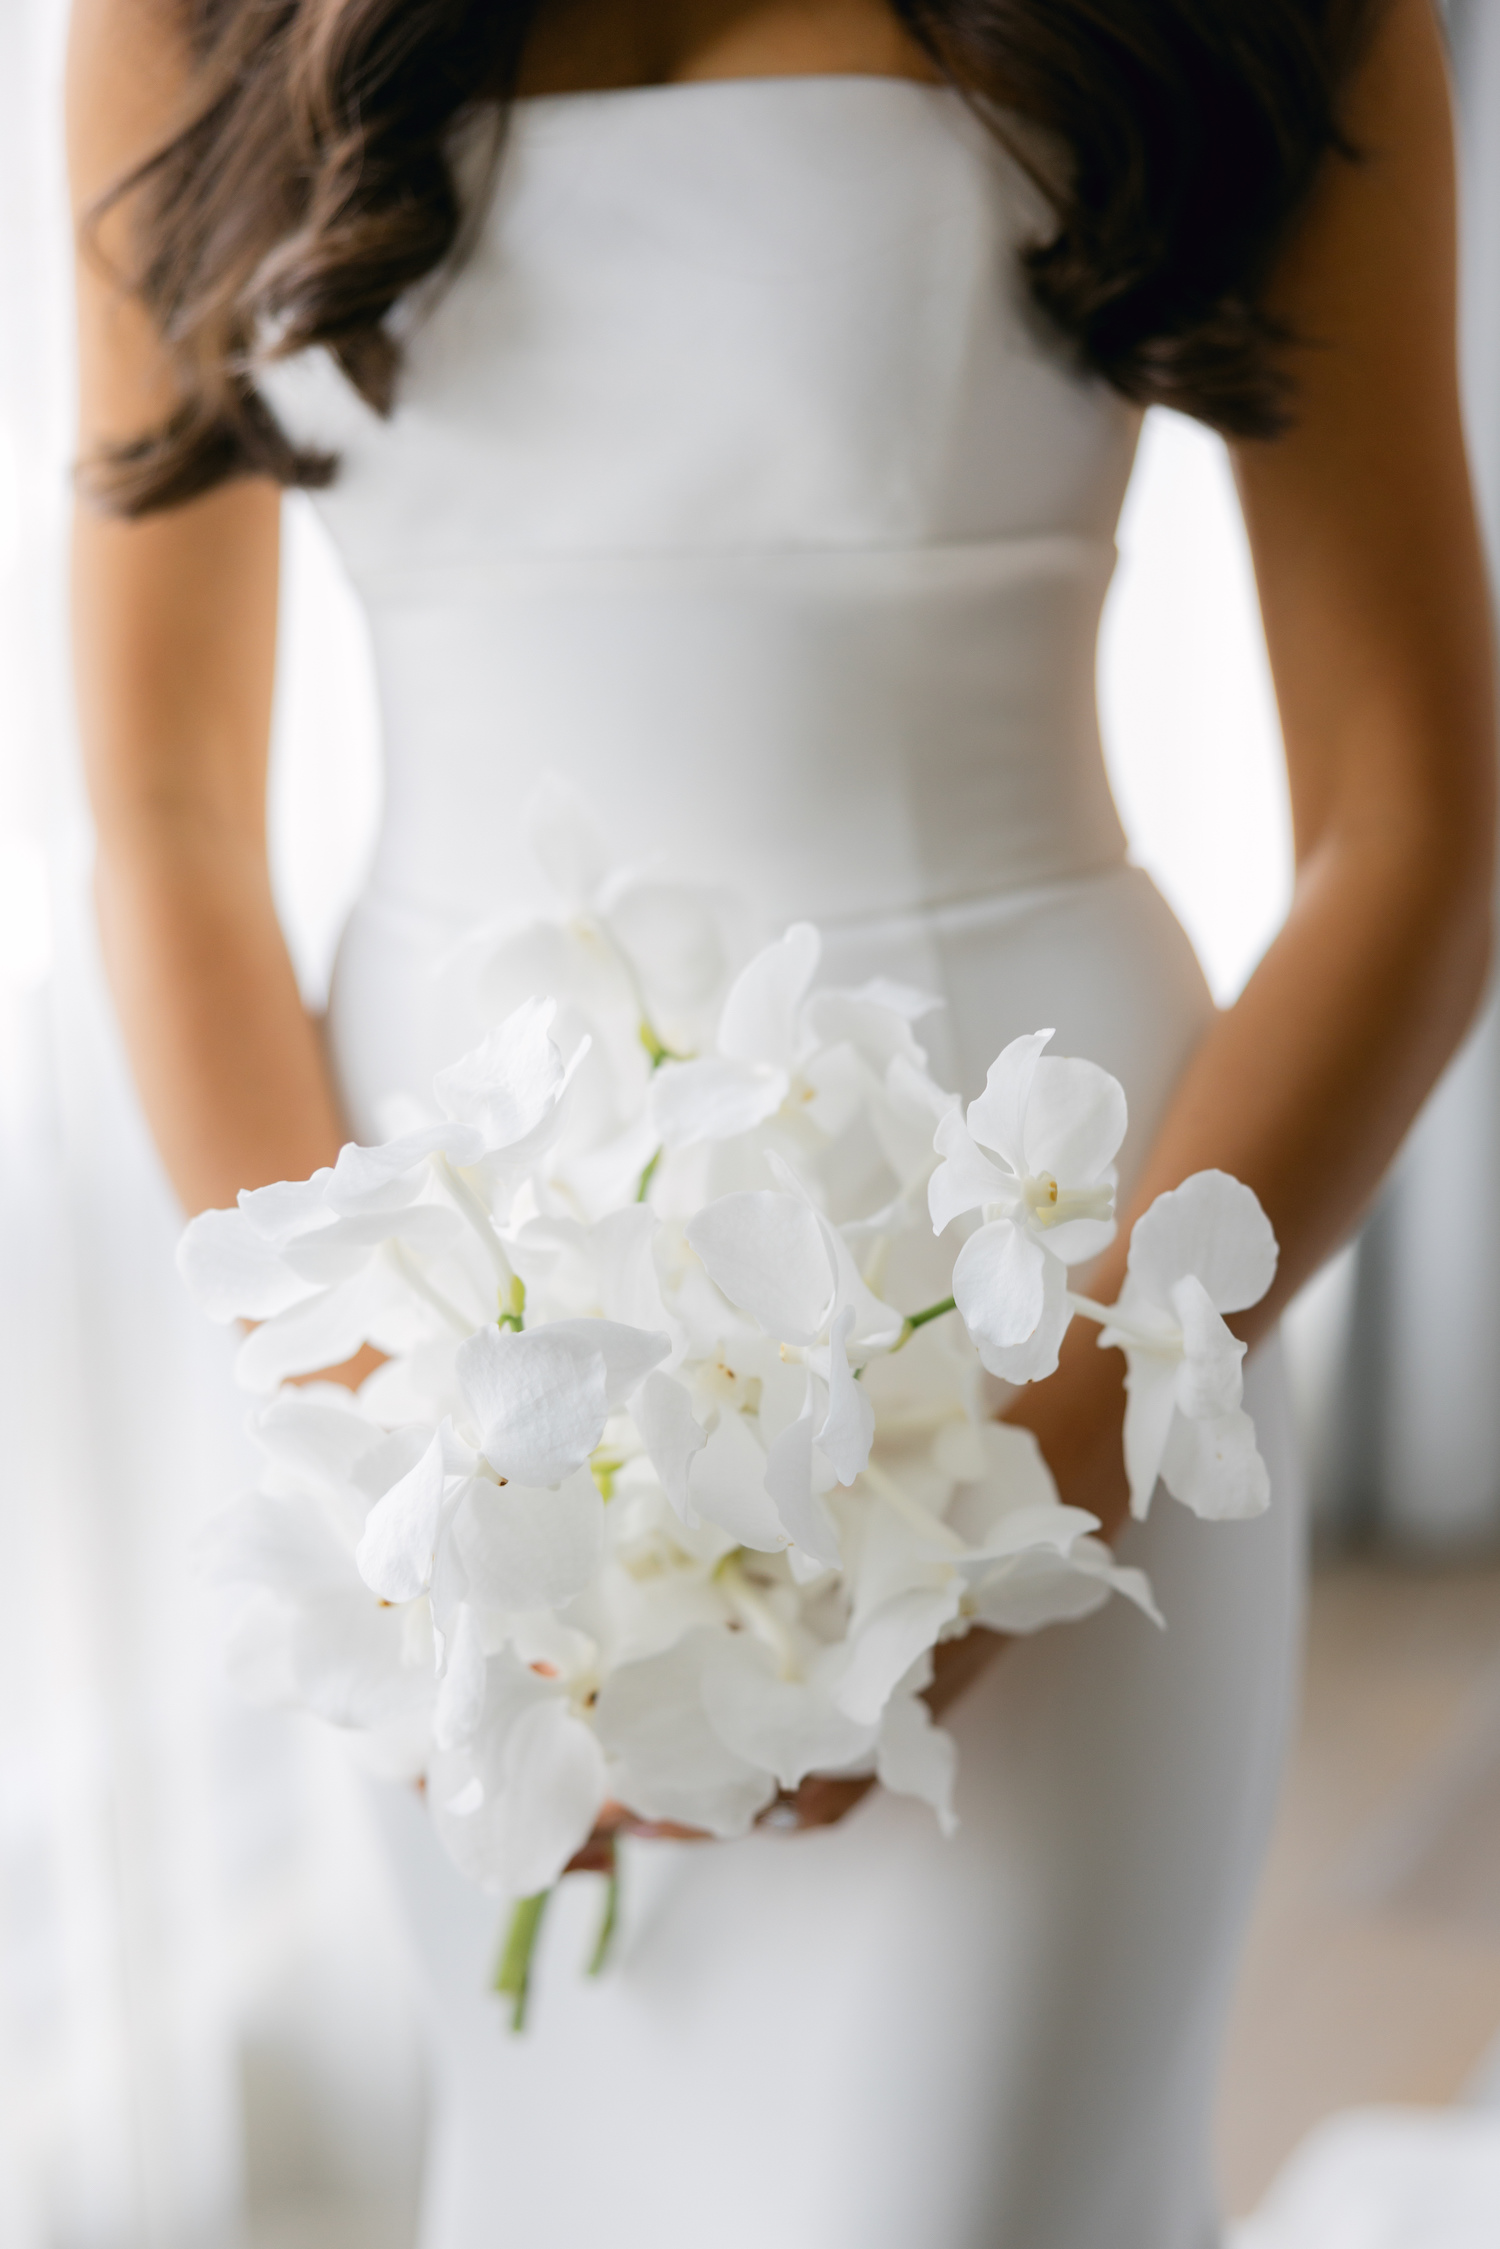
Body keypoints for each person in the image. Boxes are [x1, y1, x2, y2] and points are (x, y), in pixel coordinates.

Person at [65, 1, 1495, 2243]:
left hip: (1059, 1294)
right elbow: (161, 815)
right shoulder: (185, 22)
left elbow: (1412, 825)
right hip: (445, 1347)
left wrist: (1053, 1448)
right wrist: (416, 1488)